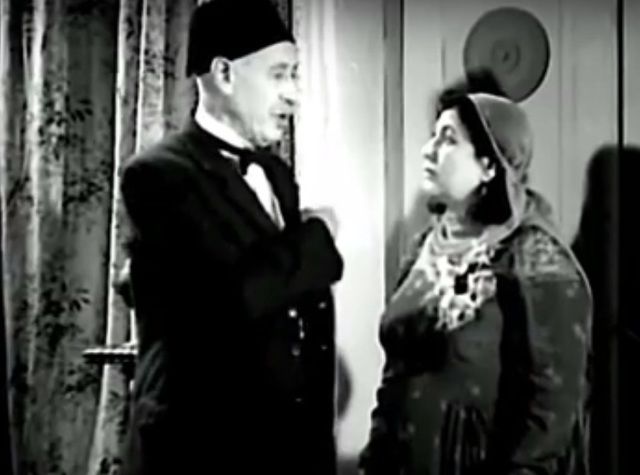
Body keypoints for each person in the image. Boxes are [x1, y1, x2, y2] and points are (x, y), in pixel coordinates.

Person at [118, 1, 344, 474]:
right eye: (280, 75)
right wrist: (317, 236)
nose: (293, 95)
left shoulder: (277, 174)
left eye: (295, 75)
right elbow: (224, 303)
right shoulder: (157, 175)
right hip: (201, 451)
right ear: (224, 74)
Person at [358, 92, 592, 475]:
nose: (428, 150)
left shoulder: (534, 257)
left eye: (448, 139)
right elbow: (396, 373)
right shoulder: (425, 245)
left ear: (489, 166)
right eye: (433, 135)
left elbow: (552, 409)